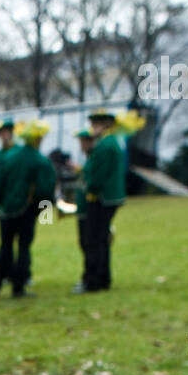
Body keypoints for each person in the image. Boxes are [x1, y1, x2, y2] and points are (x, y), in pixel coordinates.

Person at [0, 120, 55, 298]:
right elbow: (45, 190)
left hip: (5, 211)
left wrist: (1, 203)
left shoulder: (8, 156)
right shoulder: (39, 160)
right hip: (26, 210)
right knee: (24, 247)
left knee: (5, 246)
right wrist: (44, 214)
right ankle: (18, 286)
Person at [76, 109, 125, 294]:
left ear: (105, 125)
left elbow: (98, 176)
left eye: (96, 124)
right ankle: (104, 278)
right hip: (109, 198)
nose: (93, 128)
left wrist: (88, 188)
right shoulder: (112, 142)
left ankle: (93, 281)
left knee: (94, 240)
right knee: (102, 240)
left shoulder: (104, 145)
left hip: (101, 199)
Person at [71, 128, 95, 292]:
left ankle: (90, 278)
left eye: (84, 141)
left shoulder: (94, 158)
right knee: (85, 243)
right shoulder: (89, 159)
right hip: (82, 208)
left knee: (89, 243)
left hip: (89, 209)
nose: (81, 145)